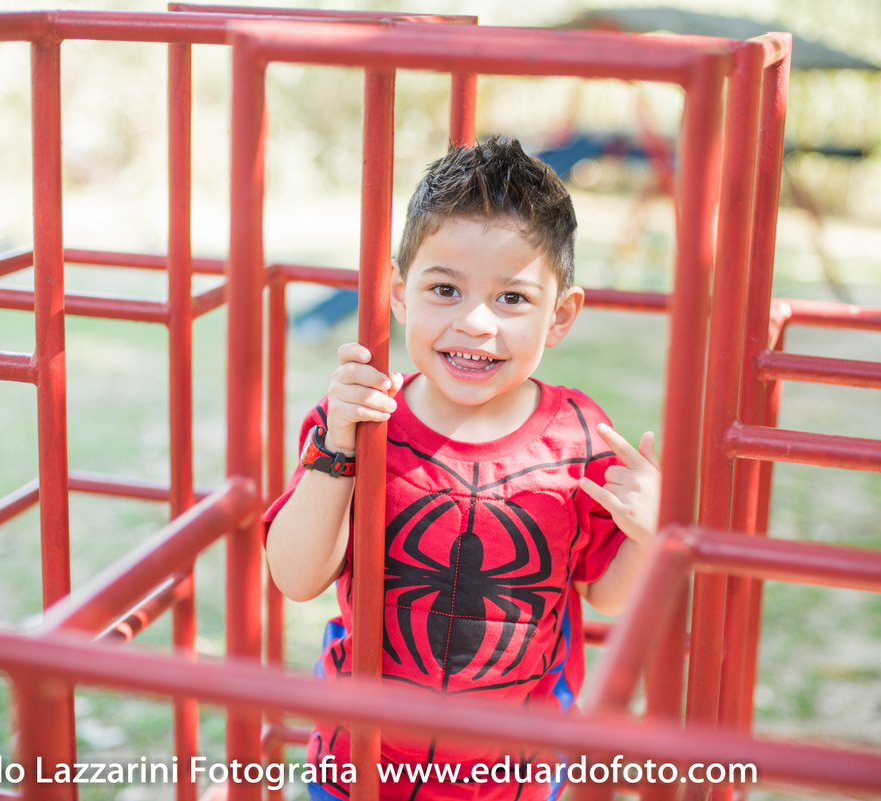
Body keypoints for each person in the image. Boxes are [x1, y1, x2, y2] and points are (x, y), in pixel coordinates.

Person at [264, 137, 661, 801]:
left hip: (514, 776)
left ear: (560, 315)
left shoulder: (580, 435)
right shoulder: (360, 420)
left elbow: (604, 593)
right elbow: (296, 578)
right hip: (359, 767)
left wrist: (647, 534)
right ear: (400, 293)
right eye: (445, 289)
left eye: (512, 298)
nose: (475, 322)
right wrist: (337, 447)